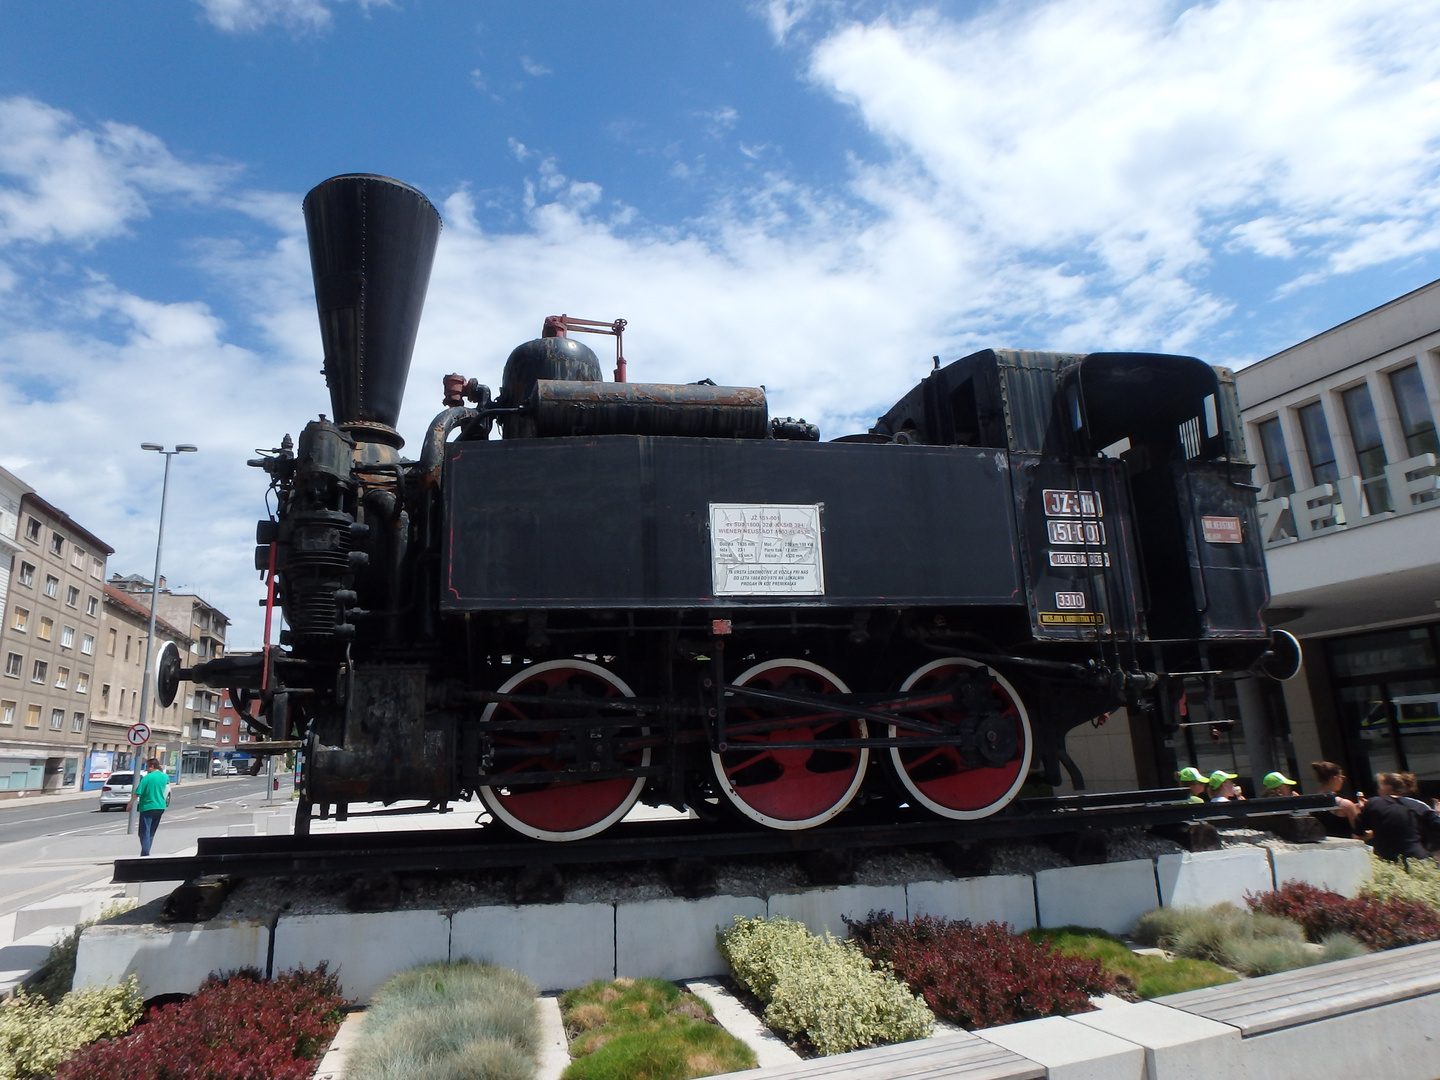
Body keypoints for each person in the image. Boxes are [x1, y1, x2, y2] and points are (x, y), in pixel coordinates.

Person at [1354, 772, 1432, 863]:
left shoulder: (1374, 803)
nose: (1378, 790)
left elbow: (1358, 833)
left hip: (1390, 860)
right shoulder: (1418, 805)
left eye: (1380, 786)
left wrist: (1363, 809)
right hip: (1418, 858)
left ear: (1389, 787)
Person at [127, 757, 169, 857]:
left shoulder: (147, 778)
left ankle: (145, 853)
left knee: (144, 831)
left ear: (152, 766)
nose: (146, 769)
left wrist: (130, 803)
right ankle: (146, 850)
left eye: (147, 766)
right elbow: (166, 780)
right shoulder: (164, 777)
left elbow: (138, 792)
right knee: (151, 831)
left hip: (148, 806)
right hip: (160, 806)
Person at [1311, 761, 1359, 835]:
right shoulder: (1345, 805)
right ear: (1334, 779)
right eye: (1341, 777)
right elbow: (1359, 834)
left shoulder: (1311, 803)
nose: (1342, 780)